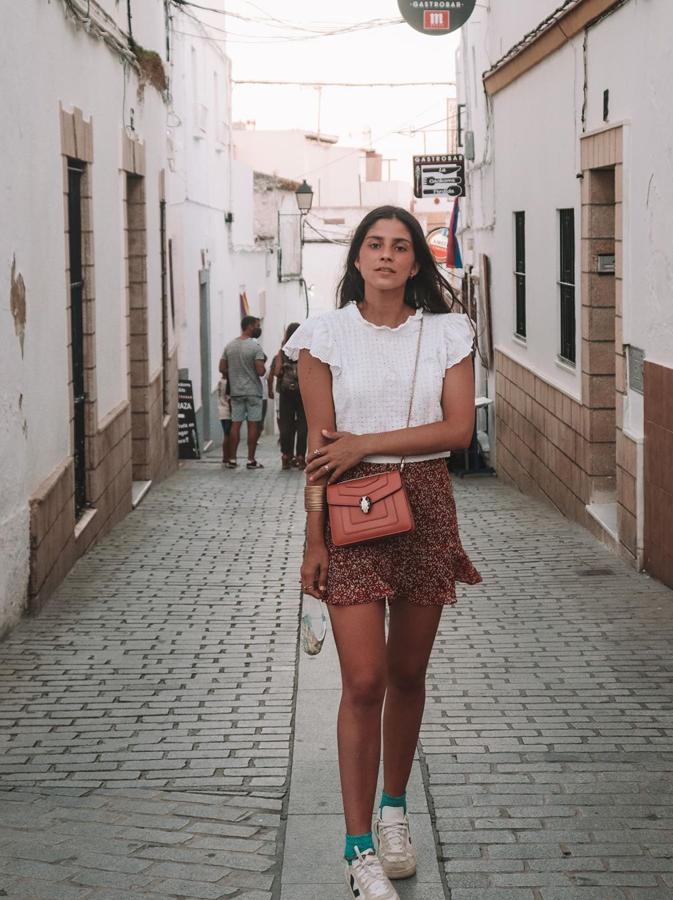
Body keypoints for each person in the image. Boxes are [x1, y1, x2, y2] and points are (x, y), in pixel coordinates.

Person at [283, 206, 482, 900]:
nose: (388, 256)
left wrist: (366, 443)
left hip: (425, 504)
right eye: (375, 244)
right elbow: (319, 450)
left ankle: (395, 809)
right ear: (358, 257)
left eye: (401, 246)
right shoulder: (324, 336)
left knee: (408, 673)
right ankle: (358, 846)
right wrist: (313, 541)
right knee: (363, 680)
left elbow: (457, 429)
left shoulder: (448, 333)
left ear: (417, 264)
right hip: (349, 508)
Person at [219, 315, 266, 470]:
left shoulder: (230, 346)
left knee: (235, 425)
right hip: (253, 392)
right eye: (257, 325)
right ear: (250, 326)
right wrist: (263, 367)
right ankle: (250, 460)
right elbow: (260, 371)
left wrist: (233, 373)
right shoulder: (255, 347)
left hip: (236, 392)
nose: (259, 328)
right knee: (253, 425)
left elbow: (221, 368)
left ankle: (232, 459)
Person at [271, 322, 308, 470]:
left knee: (286, 424)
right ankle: (300, 457)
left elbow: (277, 372)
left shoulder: (283, 351)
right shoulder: (305, 350)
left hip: (286, 393)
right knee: (303, 425)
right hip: (303, 393)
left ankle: (286, 456)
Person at [217, 376, 233, 467]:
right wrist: (233, 413)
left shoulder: (220, 381)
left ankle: (225, 457)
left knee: (226, 435)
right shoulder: (227, 383)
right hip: (227, 412)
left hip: (221, 411)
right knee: (228, 436)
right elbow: (229, 398)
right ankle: (227, 457)